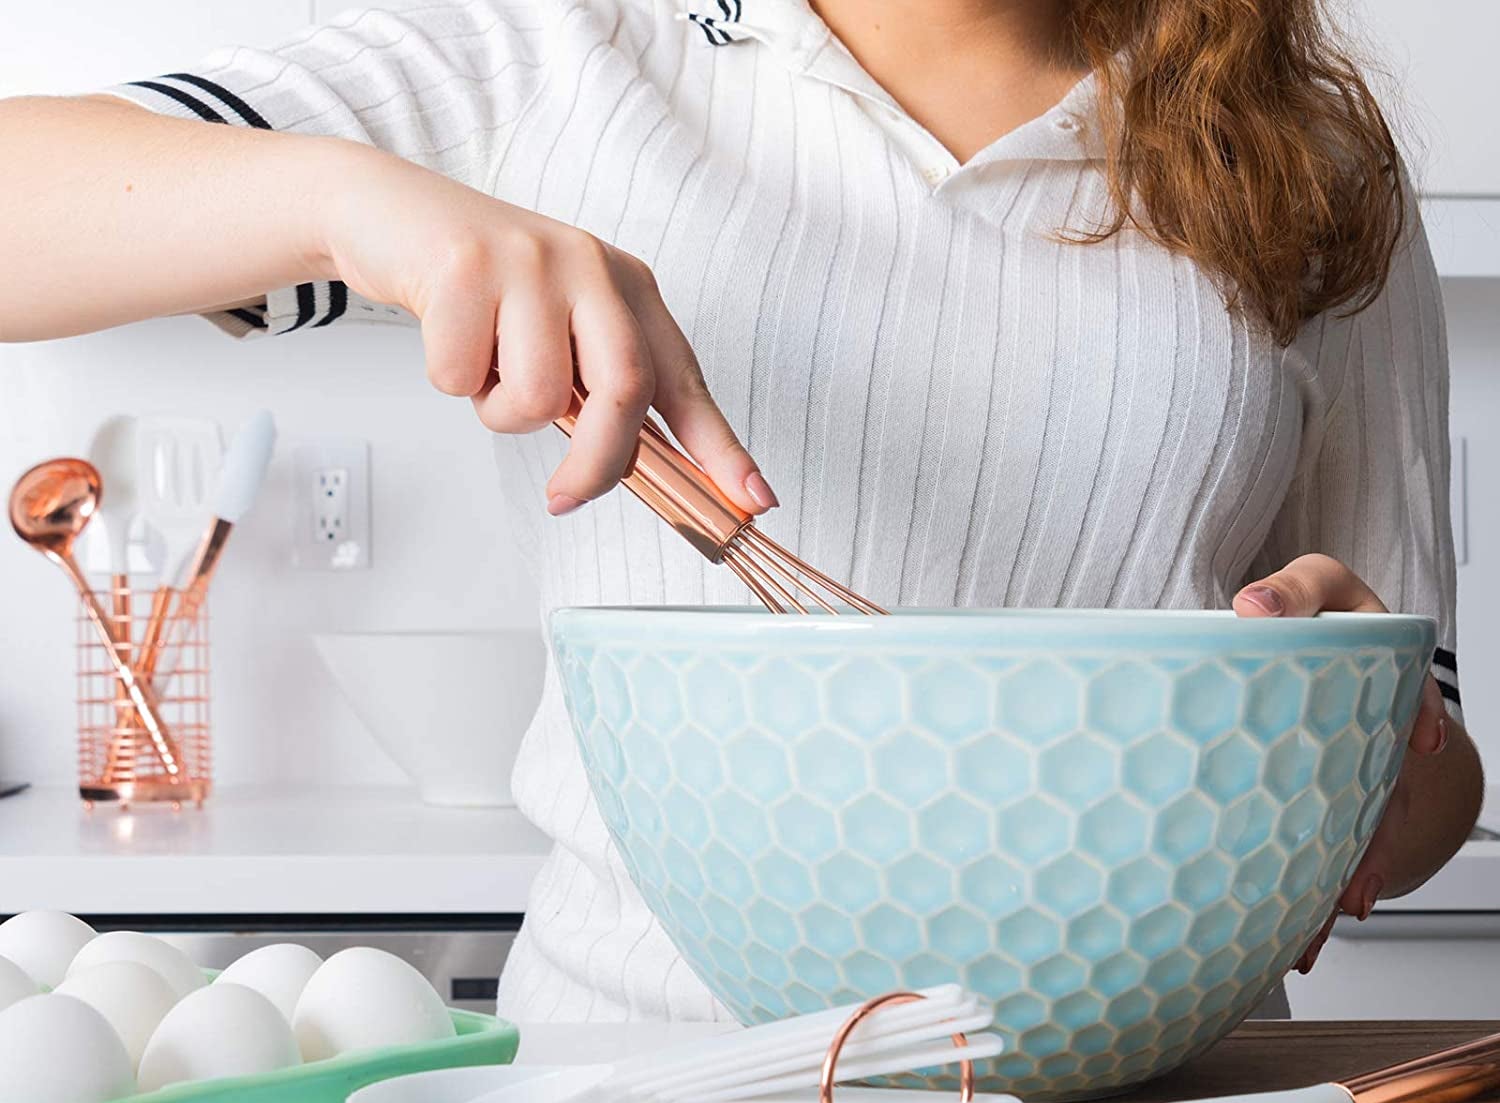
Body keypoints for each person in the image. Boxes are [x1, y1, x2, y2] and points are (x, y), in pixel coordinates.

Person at [0, 0, 1481, 1021]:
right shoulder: (572, 52)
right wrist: (361, 210)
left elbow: (1428, 775)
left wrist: (1351, 735)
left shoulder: (1311, 166)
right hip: (646, 1085)